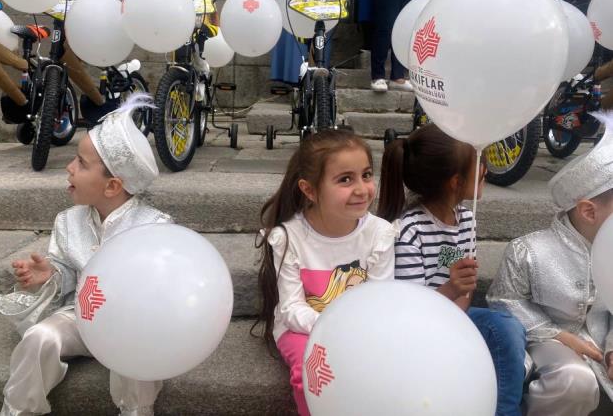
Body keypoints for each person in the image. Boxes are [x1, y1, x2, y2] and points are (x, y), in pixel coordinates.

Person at [0, 94, 171, 416]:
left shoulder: (154, 228)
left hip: (129, 326)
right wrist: (52, 274)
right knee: (39, 338)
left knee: (138, 357)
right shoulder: (68, 221)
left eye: (81, 162)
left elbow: (163, 288)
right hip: (80, 316)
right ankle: (20, 409)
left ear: (112, 186)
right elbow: (68, 270)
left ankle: (136, 411)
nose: (69, 167)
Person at [378, 123, 527, 416]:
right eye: (479, 162)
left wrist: (460, 299)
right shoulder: (410, 230)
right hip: (417, 330)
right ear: (455, 182)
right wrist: (452, 288)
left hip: (455, 316)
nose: (486, 167)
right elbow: (410, 310)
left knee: (506, 327)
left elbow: (467, 294)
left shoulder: (467, 218)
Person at [255, 130, 399, 415]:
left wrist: (355, 334)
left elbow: (380, 299)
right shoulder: (289, 237)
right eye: (345, 179)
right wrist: (334, 329)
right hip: (302, 329)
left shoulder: (378, 233)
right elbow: (291, 308)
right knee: (313, 373)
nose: (361, 188)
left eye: (366, 175)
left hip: (361, 329)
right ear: (309, 190)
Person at [487, 111, 613, 415]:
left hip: (601, 340)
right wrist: (558, 334)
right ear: (588, 211)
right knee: (575, 380)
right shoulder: (528, 250)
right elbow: (503, 300)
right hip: (549, 344)